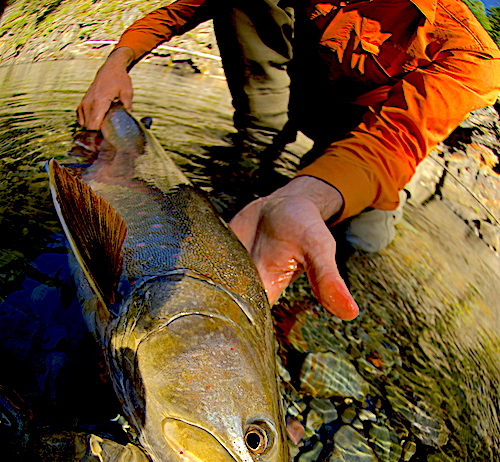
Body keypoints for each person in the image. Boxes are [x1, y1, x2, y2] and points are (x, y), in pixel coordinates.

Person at [77, 0, 500, 321]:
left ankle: (309, 300)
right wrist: (118, 61)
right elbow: (185, 9)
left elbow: (394, 142)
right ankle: (253, 174)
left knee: (366, 241)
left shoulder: (470, 56)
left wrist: (307, 196)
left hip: (364, 139)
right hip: (291, 100)